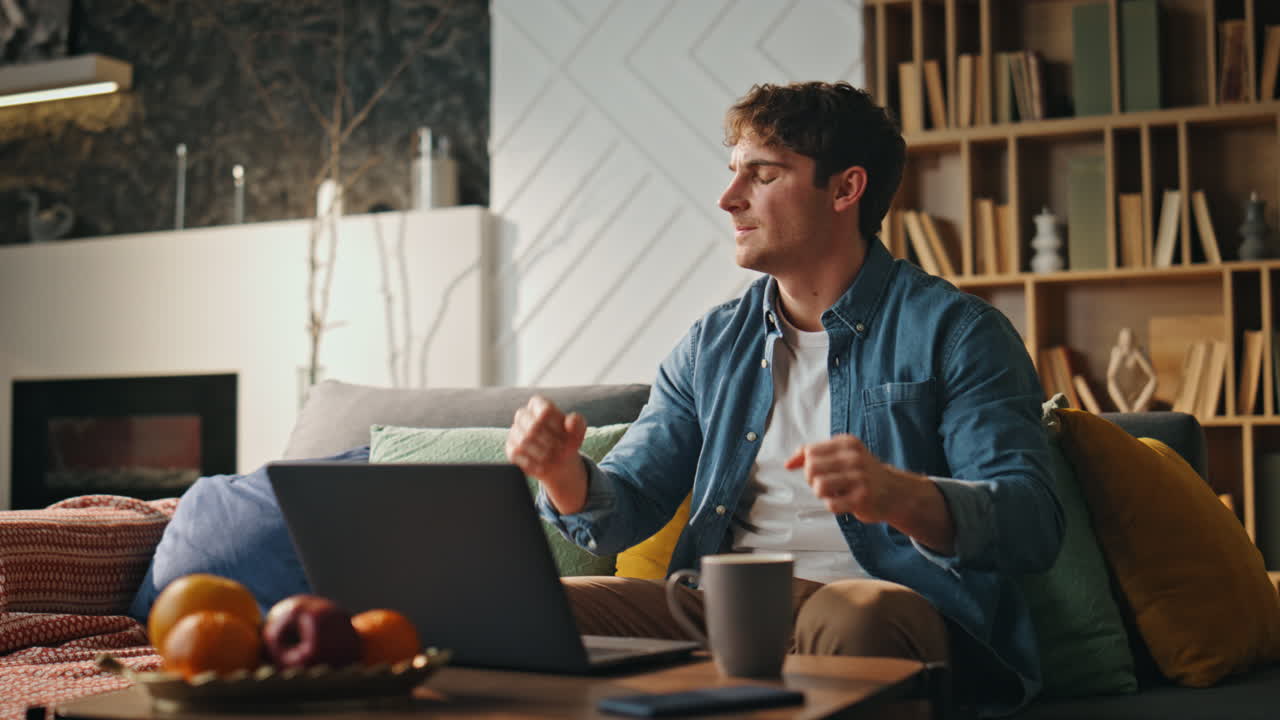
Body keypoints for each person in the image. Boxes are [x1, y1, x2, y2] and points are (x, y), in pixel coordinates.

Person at [505, 81, 1063, 718]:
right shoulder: (712, 344)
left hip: (883, 602)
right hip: (722, 605)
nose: (728, 199)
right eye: (734, 173)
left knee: (853, 620)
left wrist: (901, 496)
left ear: (845, 189)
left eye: (762, 175)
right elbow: (625, 505)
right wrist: (562, 474)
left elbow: (1030, 523)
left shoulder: (957, 332)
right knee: (543, 610)